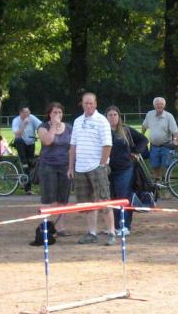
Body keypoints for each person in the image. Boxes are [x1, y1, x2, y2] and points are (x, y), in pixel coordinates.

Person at [68, 92, 115, 246]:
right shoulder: (77, 121)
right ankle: (92, 233)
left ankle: (111, 232)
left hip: (97, 167)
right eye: (85, 103)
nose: (88, 106)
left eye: (91, 103)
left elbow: (107, 145)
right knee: (87, 204)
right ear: (82, 104)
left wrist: (102, 165)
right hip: (80, 169)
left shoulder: (102, 121)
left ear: (95, 104)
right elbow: (73, 146)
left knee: (104, 200)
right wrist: (71, 167)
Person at [106, 106, 148, 237]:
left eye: (115, 115)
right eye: (110, 115)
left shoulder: (126, 130)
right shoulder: (103, 131)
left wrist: (136, 152)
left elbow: (143, 140)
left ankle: (125, 226)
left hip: (125, 169)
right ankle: (114, 226)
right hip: (107, 170)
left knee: (123, 197)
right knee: (112, 198)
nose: (112, 117)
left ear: (119, 117)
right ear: (106, 117)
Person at [37, 102, 73, 235]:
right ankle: (45, 228)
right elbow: (47, 141)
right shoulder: (43, 127)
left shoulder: (69, 128)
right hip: (48, 166)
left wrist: (71, 167)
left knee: (63, 199)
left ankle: (61, 228)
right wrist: (53, 126)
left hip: (65, 166)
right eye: (54, 112)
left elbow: (72, 147)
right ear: (49, 114)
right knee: (48, 198)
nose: (57, 115)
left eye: (60, 112)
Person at [141, 97, 178, 182]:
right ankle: (157, 185)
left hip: (166, 146)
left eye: (161, 104)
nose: (159, 106)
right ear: (154, 105)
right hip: (154, 146)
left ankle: (169, 185)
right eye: (157, 104)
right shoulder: (149, 114)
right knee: (155, 166)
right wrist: (141, 136)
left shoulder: (169, 116)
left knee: (168, 166)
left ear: (164, 105)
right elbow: (144, 126)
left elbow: (175, 131)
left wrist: (175, 140)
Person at [11, 105, 42, 194]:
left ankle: (28, 188)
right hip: (21, 143)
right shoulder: (16, 120)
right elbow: (17, 134)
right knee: (25, 163)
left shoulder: (31, 118)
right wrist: (23, 124)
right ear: (21, 113)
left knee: (31, 164)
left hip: (30, 143)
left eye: (29, 112)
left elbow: (40, 126)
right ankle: (24, 163)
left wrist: (41, 133)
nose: (28, 114)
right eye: (26, 112)